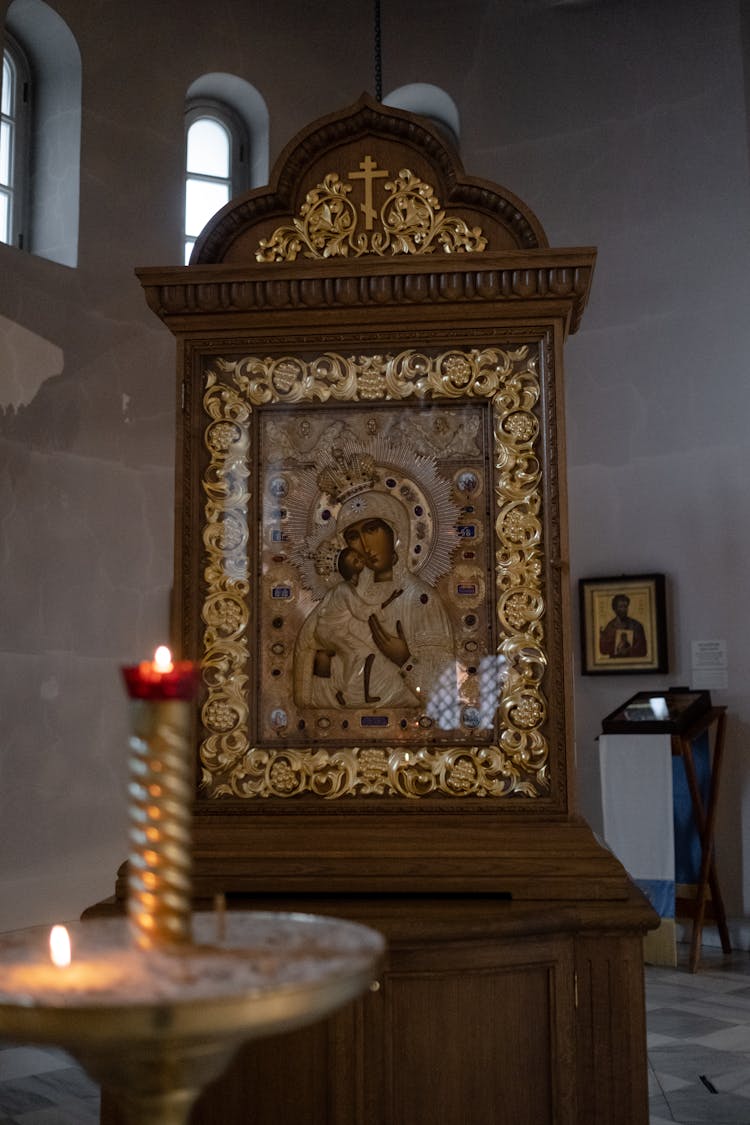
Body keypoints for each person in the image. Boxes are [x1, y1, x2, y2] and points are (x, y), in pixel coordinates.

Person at [293, 492, 456, 713]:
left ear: (395, 532)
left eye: (372, 529)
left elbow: (443, 696)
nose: (365, 544)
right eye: (353, 536)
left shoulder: (420, 600)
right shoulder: (339, 594)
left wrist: (404, 659)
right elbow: (308, 653)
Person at [599, 594, 647, 658]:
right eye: (621, 607)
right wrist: (602, 638)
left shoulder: (636, 625)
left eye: (626, 606)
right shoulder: (610, 627)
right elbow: (604, 651)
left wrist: (629, 650)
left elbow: (643, 650)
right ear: (615, 609)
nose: (624, 609)